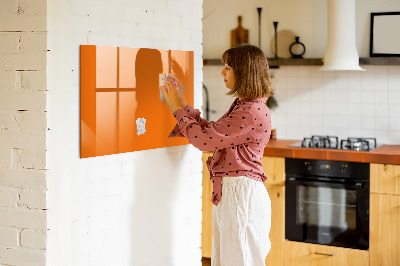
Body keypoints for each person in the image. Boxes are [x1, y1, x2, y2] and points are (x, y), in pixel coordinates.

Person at [161, 44, 273, 266]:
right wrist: (183, 104)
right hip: (236, 193)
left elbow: (204, 141)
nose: (222, 72)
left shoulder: (250, 111)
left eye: (228, 67)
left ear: (244, 72)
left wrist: (176, 107)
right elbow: (212, 133)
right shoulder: (246, 106)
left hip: (241, 195)